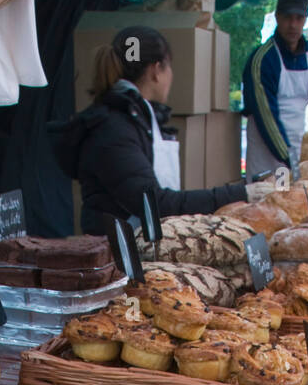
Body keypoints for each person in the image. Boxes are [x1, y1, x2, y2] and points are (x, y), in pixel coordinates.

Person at [49, 26, 247, 235]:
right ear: (156, 70)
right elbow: (154, 204)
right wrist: (239, 193)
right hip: (116, 256)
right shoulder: (113, 128)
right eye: (169, 67)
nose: (171, 75)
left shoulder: (137, 119)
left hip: (145, 246)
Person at [241, 0, 308, 178]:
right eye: (287, 17)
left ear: (306, 19)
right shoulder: (263, 59)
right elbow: (266, 115)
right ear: (277, 17)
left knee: (293, 203)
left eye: (299, 18)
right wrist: (289, 158)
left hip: (298, 146)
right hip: (266, 153)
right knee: (265, 203)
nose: (293, 25)